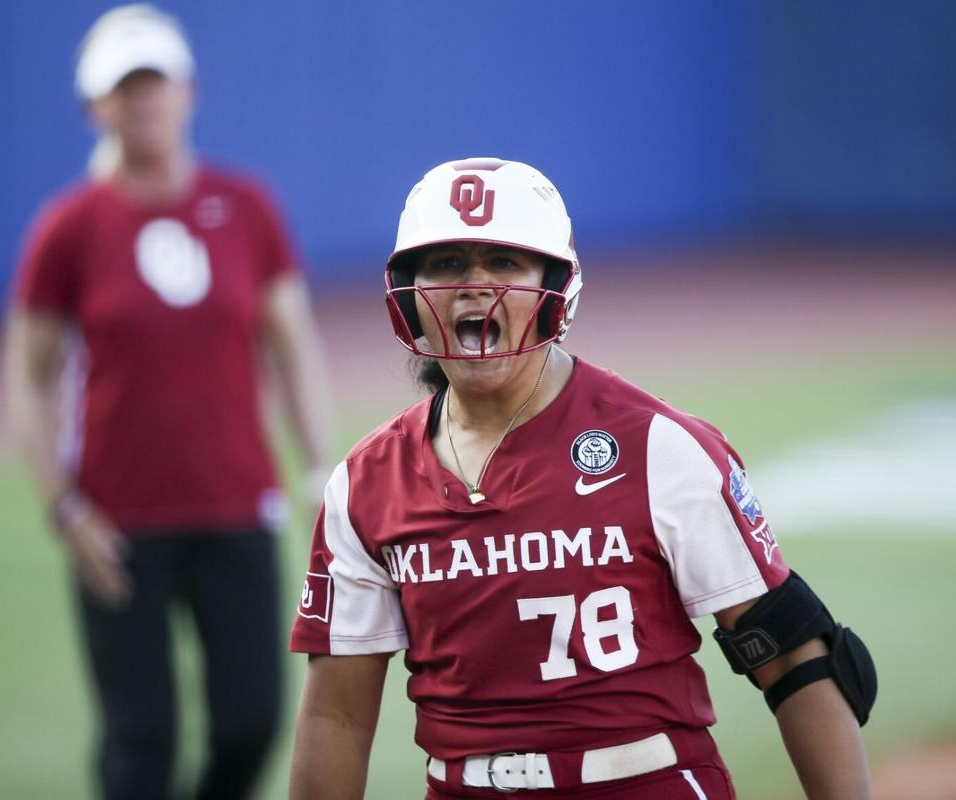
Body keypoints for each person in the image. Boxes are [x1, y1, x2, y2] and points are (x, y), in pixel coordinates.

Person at [288, 157, 876, 799]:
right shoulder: (365, 484)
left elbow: (791, 652)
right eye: (448, 262)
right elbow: (336, 716)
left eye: (505, 262)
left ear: (556, 288)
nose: (474, 286)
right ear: (410, 291)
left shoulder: (659, 448)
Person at [1, 5, 332, 799]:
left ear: (190, 91)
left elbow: (291, 342)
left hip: (234, 506)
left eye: (157, 82)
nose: (144, 101)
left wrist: (320, 466)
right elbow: (26, 374)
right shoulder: (67, 229)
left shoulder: (247, 208)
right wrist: (63, 508)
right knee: (138, 741)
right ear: (95, 108)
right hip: (119, 523)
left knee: (253, 719)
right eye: (125, 89)